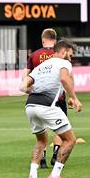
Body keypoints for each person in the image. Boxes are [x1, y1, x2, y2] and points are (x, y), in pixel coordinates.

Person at [19, 40, 82, 178]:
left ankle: (32, 176)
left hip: (31, 105)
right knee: (70, 140)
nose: (71, 58)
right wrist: (75, 97)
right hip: (47, 106)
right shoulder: (63, 63)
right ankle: (55, 175)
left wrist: (36, 91)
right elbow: (64, 79)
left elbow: (22, 86)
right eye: (70, 55)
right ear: (64, 51)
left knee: (41, 141)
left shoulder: (41, 66)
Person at [23, 28, 65, 169]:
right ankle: (56, 155)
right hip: (57, 96)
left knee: (42, 129)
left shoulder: (34, 55)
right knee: (60, 128)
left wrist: (28, 89)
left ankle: (42, 159)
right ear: (55, 39)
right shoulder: (59, 54)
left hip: (38, 96)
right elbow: (65, 76)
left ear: (42, 39)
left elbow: (26, 76)